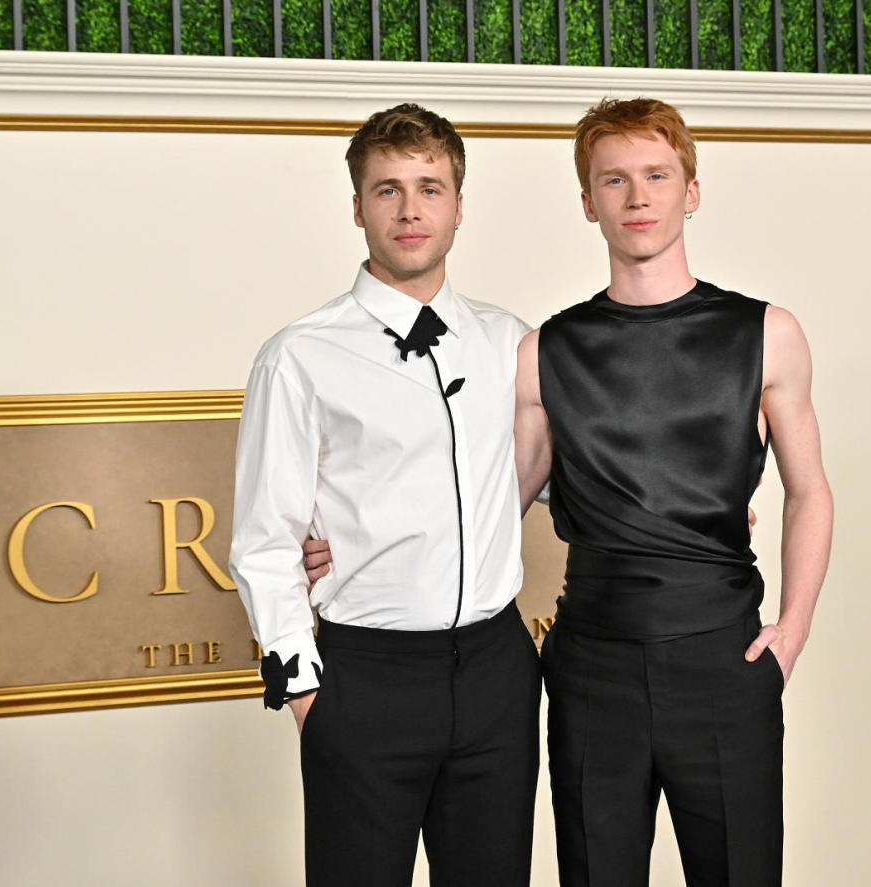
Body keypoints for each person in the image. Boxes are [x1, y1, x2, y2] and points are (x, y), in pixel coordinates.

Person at [513, 97, 834, 886]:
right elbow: (491, 508)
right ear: (588, 203)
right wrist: (349, 543)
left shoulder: (767, 332)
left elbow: (809, 492)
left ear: (691, 189)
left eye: (657, 175)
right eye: (614, 180)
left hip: (724, 657)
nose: (638, 197)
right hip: (592, 665)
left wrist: (791, 630)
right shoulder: (545, 350)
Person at [229, 103, 541, 887]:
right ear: (358, 207)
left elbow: (563, 475)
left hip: (500, 672)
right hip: (365, 679)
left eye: (431, 187)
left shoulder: (512, 341)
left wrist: (687, 501)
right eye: (388, 189)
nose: (410, 209)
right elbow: (264, 542)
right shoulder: (299, 356)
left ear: (460, 207)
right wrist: (305, 695)